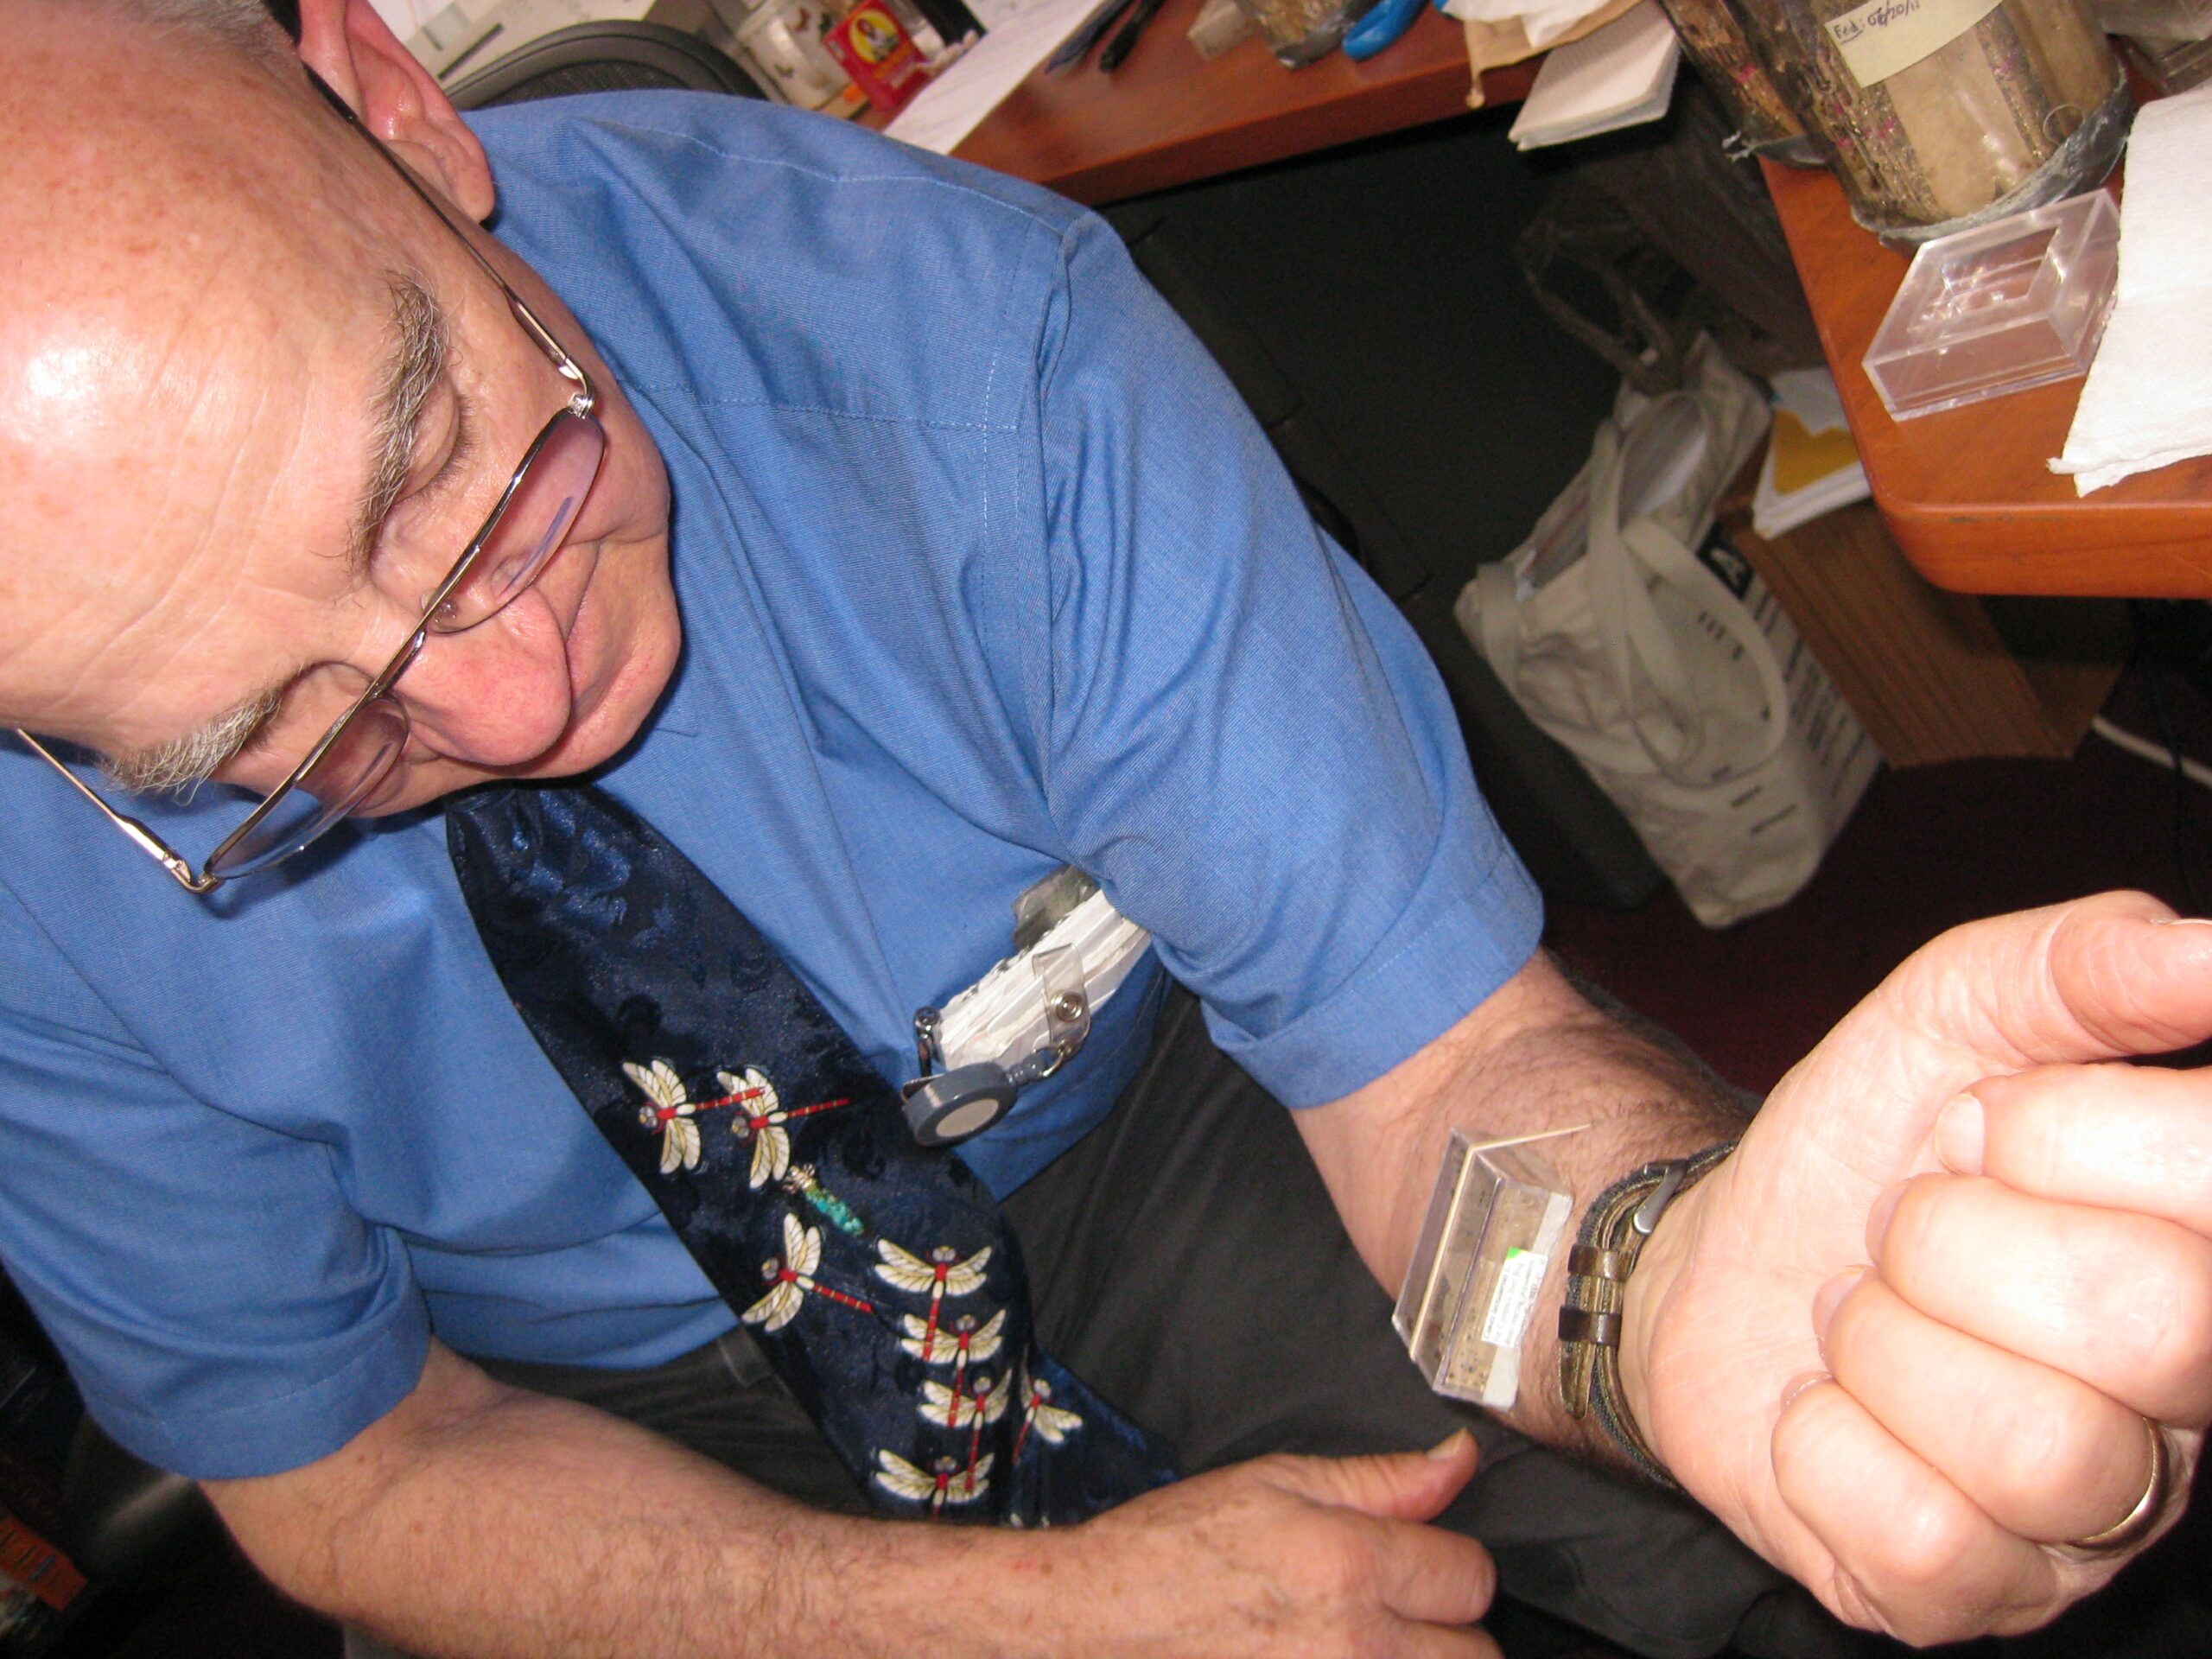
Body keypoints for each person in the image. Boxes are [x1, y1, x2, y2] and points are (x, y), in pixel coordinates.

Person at [0, 3, 2205, 1657]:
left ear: (392, 112)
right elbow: (358, 1467)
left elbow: (1431, 1064)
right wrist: (1022, 1620)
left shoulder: (948, 333)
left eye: (452, 475)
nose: (508, 706)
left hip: (1146, 1112)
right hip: (609, 1386)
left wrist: (1658, 1283)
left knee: (1732, 1535)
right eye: (266, 742)